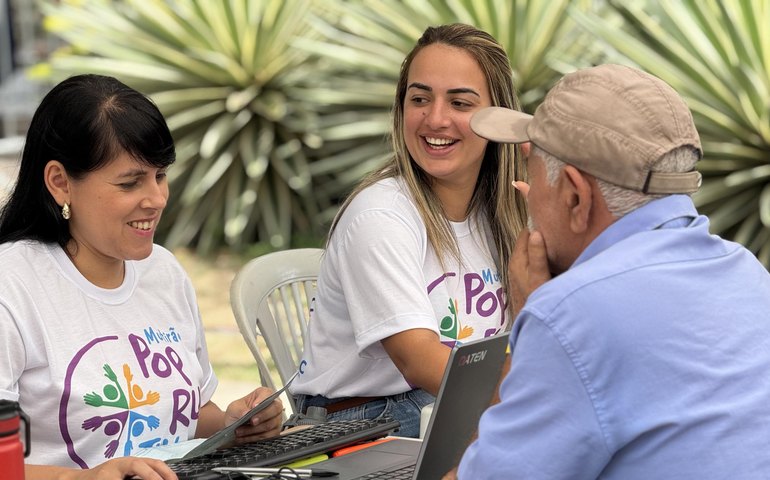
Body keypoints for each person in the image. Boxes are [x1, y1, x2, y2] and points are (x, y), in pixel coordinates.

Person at [448, 63, 770, 478]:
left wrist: (531, 308)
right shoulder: (749, 275)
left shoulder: (570, 316)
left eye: (534, 177)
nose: (529, 202)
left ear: (576, 198)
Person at [0, 74, 283, 480]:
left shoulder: (163, 272)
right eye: (130, 182)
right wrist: (85, 477)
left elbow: (191, 416)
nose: (156, 199)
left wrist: (235, 426)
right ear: (60, 183)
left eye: (160, 175)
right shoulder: (12, 285)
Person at [290, 23, 527, 438]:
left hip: (448, 406)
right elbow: (420, 362)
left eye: (459, 102)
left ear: (499, 119)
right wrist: (540, 413)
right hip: (359, 425)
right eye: (420, 99)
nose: (435, 119)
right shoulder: (380, 215)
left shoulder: (507, 213)